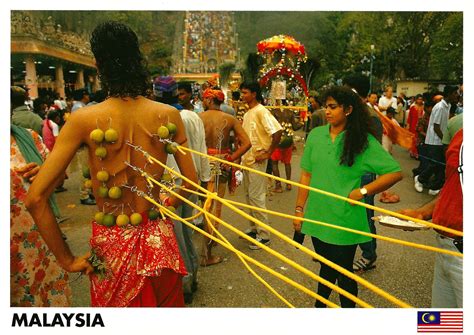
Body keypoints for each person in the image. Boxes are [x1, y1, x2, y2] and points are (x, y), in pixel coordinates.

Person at [25, 21, 198, 307]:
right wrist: (165, 202)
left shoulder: (83, 120)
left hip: (111, 248)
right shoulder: (168, 115)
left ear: (97, 64)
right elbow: (190, 183)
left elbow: (36, 198)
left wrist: (67, 260)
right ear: (138, 60)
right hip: (160, 243)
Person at [293, 86, 402, 307]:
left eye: (333, 107)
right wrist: (298, 210)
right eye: (326, 106)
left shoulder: (361, 141)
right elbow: (306, 174)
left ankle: (333, 309)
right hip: (317, 214)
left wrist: (362, 191)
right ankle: (321, 306)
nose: (328, 111)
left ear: (349, 109)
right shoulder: (316, 135)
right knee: (326, 264)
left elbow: (394, 172)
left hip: (345, 218)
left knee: (343, 272)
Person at [11, 87, 71, 307]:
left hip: (38, 248)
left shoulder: (29, 138)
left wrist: (44, 173)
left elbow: (58, 178)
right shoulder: (35, 121)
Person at [155, 75, 211, 304]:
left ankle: (185, 282)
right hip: (192, 179)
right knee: (187, 231)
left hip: (172, 182)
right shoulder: (192, 116)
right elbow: (201, 147)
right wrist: (204, 178)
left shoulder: (163, 118)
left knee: (177, 234)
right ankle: (193, 274)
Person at [400, 129, 463, 308]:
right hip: (446, 247)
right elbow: (453, 186)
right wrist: (422, 212)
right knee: (441, 324)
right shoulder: (462, 135)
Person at [199, 87, 251, 263]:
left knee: (204, 204)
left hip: (203, 162)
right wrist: (230, 158)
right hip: (222, 163)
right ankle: (208, 250)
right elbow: (247, 143)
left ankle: (207, 246)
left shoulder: (198, 118)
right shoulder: (230, 119)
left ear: (208, 100)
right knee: (215, 206)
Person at [240, 81, 282, 249]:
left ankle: (264, 235)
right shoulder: (249, 112)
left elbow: (277, 132)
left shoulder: (261, 111)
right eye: (242, 93)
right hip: (247, 161)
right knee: (249, 197)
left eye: (245, 93)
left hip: (258, 160)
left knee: (257, 197)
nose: (242, 96)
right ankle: (254, 228)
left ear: (254, 94)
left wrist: (268, 153)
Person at [414, 85, 459, 195]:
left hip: (440, 140)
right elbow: (436, 127)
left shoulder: (447, 106)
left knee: (441, 164)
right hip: (434, 140)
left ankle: (435, 187)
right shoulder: (439, 107)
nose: (457, 95)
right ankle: (420, 179)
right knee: (435, 164)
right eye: (455, 93)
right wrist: (445, 140)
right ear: (448, 94)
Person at [270, 99, 299, 192]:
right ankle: (288, 183)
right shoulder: (290, 112)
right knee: (287, 162)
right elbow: (295, 127)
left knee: (274, 163)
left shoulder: (273, 112)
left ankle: (278, 186)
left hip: (277, 140)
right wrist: (303, 122)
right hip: (288, 140)